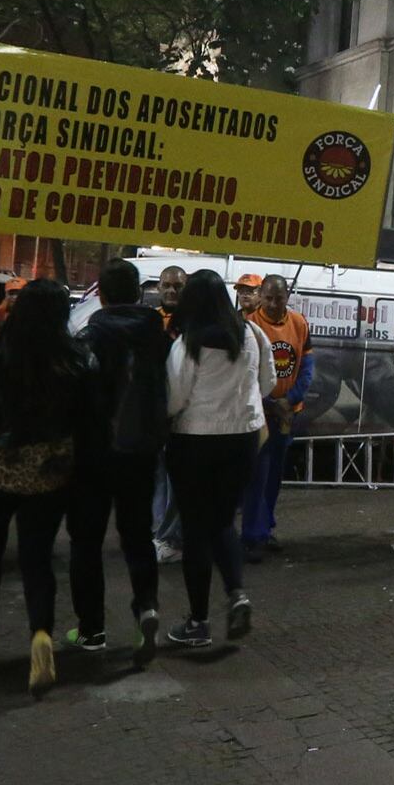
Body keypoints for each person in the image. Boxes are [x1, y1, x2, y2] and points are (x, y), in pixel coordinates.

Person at [0, 279, 99, 693]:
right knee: (37, 558)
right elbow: (87, 415)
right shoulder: (76, 355)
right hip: (51, 469)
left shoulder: (4, 352)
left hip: (1, 467)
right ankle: (41, 634)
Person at [161, 270, 275, 650]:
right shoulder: (252, 335)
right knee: (223, 520)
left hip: (195, 443)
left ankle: (198, 621)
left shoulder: (188, 344)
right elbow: (267, 384)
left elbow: (174, 399)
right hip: (242, 441)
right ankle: (237, 592)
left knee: (196, 531)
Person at [67, 260, 173, 662]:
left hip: (93, 455)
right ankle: (146, 607)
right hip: (140, 453)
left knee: (86, 542)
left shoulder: (90, 337)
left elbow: (75, 398)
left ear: (103, 296)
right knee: (137, 535)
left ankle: (92, 629)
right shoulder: (158, 338)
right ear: (138, 293)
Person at [243, 274, 311, 562]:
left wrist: (290, 399)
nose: (272, 304)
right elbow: (245, 374)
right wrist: (270, 402)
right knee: (256, 476)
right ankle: (252, 536)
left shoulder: (299, 324)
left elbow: (307, 368)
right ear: (261, 295)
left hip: (287, 415)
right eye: (267, 297)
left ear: (287, 297)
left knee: (274, 477)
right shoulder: (249, 326)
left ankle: (266, 529)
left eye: (278, 298)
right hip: (259, 415)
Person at [148, 263, 191, 561]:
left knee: (178, 479)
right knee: (157, 477)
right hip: (154, 414)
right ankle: (158, 533)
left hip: (184, 414)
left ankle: (173, 538)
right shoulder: (148, 321)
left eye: (178, 285)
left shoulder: (193, 323)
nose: (172, 290)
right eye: (167, 285)